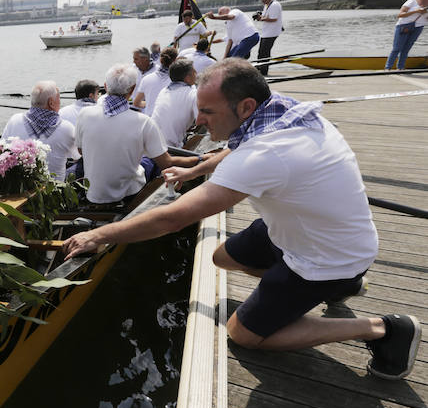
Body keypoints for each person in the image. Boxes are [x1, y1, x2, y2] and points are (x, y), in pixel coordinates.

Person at [64, 58, 420, 381]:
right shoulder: (281, 113)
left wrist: (100, 236)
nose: (199, 120)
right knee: (222, 257)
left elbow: (172, 219)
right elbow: (232, 149)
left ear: (246, 106)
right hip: (308, 228)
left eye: (207, 112)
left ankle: (383, 329)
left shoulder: (265, 155)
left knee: (244, 334)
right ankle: (342, 287)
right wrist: (193, 172)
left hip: (326, 255)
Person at [75, 64, 202, 204]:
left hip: (93, 194)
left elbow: (81, 150)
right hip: (129, 194)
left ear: (105, 86)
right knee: (152, 161)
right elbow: (167, 162)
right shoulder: (144, 122)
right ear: (132, 89)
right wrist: (200, 159)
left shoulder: (84, 114)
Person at [2, 80, 78, 181]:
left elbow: (2, 150)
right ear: (51, 102)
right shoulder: (67, 128)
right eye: (59, 98)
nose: (60, 102)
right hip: (53, 192)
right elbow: (77, 156)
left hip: (19, 188)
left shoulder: (14, 120)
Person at [151, 59, 198, 148]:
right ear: (188, 78)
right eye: (194, 72)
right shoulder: (192, 93)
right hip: (170, 148)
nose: (196, 73)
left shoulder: (164, 91)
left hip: (151, 142)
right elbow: (201, 119)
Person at [384, 0, 428, 70]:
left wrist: (425, 13)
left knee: (406, 49)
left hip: (418, 27)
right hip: (403, 26)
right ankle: (387, 68)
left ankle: (400, 68)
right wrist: (416, 11)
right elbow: (400, 15)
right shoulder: (412, 1)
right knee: (397, 48)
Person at [133, 47, 178, 116]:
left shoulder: (147, 79)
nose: (133, 61)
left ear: (160, 60)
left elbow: (136, 103)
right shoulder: (177, 81)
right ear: (176, 60)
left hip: (149, 119)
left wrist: (149, 102)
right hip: (167, 119)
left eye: (135, 59)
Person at [254, 0, 283, 75]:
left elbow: (274, 19)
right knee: (261, 52)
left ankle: (263, 71)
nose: (262, 0)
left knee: (265, 52)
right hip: (266, 32)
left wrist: (261, 18)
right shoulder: (267, 5)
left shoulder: (275, 5)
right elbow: (265, 16)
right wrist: (260, 16)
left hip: (272, 32)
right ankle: (260, 69)